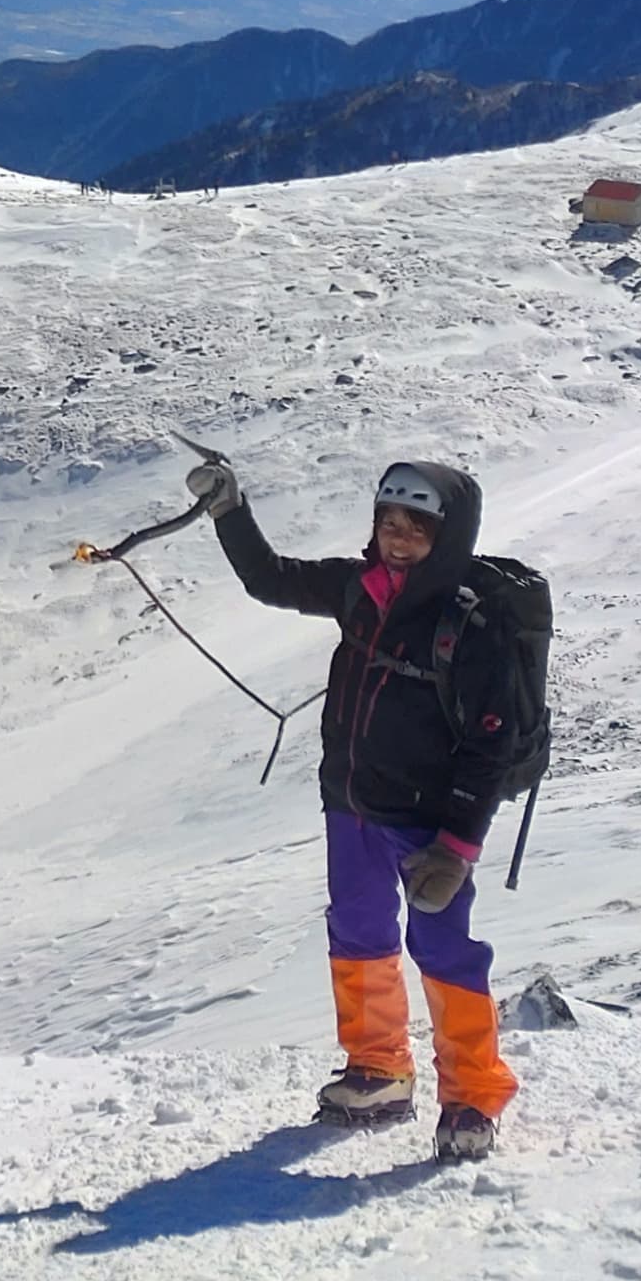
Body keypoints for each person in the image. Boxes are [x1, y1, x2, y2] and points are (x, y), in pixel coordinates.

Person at [183, 452, 525, 1162]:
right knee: (358, 933)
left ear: (448, 534)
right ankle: (379, 1070)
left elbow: (492, 742)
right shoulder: (358, 588)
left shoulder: (471, 622)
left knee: (444, 950)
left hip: (430, 824)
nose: (398, 537)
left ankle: (472, 1098)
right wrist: (228, 510)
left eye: (417, 527)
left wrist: (458, 848)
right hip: (353, 807)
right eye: (387, 522)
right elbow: (269, 578)